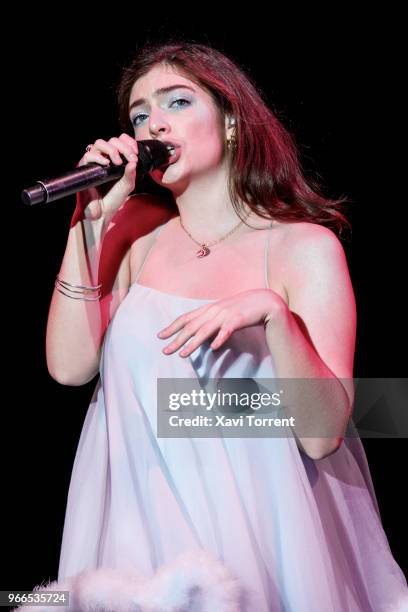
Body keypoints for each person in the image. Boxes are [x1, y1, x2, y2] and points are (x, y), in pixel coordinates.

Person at [16, 41, 408, 612]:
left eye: (177, 101)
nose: (155, 123)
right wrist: (89, 221)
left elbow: (325, 435)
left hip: (255, 530)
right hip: (139, 524)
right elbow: (70, 368)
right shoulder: (136, 238)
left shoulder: (302, 248)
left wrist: (274, 313)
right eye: (140, 114)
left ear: (229, 123)